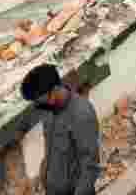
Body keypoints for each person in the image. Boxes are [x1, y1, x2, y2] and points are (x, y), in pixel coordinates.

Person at [21, 64, 101, 195]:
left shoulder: (81, 114)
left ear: (53, 92)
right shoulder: (48, 109)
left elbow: (90, 166)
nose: (36, 104)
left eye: (38, 100)